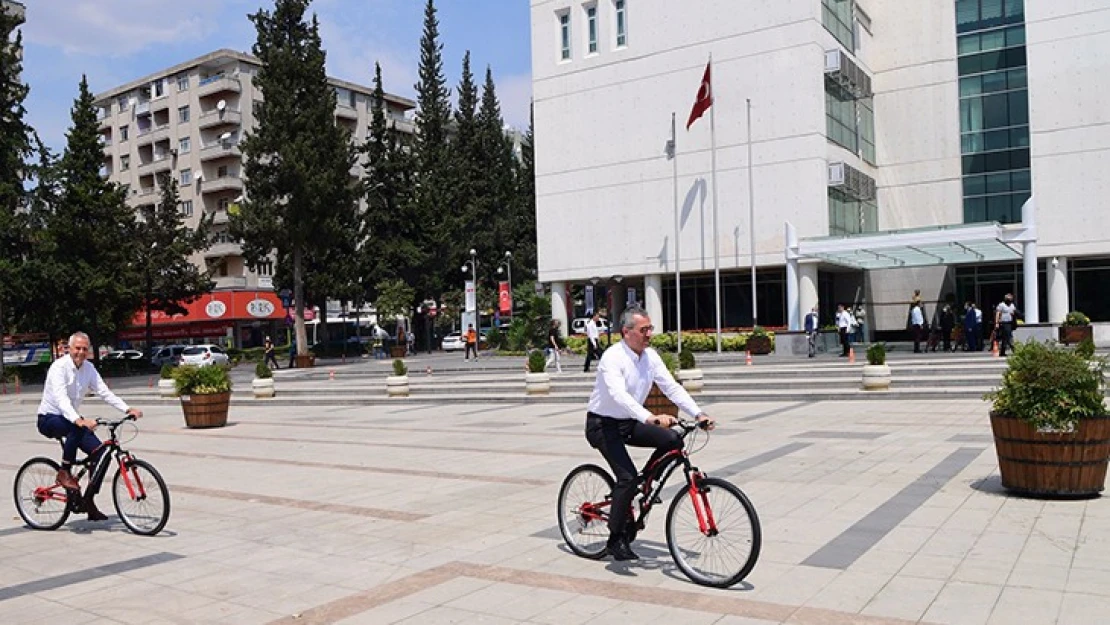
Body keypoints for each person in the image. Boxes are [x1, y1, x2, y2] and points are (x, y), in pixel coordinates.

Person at [584, 306, 714, 561]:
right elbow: (618, 395)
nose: (649, 334)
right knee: (626, 478)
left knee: (673, 439)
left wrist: (698, 414)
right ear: (626, 332)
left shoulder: (650, 356)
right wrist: (650, 417)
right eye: (644, 330)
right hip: (602, 424)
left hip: (629, 422)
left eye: (650, 329)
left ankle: (646, 484)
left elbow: (671, 387)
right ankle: (615, 538)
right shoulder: (613, 358)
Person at [36, 332, 143, 521]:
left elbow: (104, 392)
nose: (81, 352)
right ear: (68, 349)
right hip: (49, 419)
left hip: (72, 419)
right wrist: (79, 420)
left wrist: (127, 409)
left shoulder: (89, 368)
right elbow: (61, 400)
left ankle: (88, 500)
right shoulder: (58, 368)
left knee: (101, 453)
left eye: (85, 349)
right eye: (77, 348)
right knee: (76, 428)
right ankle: (64, 472)